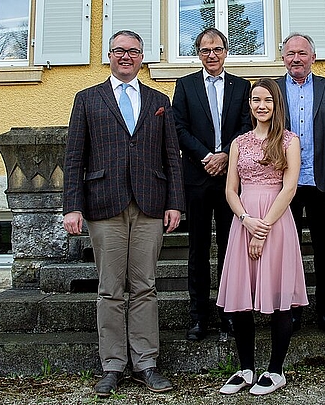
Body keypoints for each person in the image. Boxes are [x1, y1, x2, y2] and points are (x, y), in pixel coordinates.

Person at [63, 30, 185, 397]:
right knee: (110, 290)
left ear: (142, 56)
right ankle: (113, 366)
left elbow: (172, 158)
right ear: (110, 56)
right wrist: (73, 206)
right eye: (119, 51)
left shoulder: (159, 100)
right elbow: (74, 158)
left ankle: (146, 362)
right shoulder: (87, 99)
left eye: (133, 51)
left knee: (145, 287)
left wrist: (175, 202)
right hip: (104, 205)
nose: (126, 57)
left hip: (150, 204)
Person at [216, 78, 308, 396]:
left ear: (276, 103)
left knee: (279, 298)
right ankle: (245, 369)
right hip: (244, 220)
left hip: (276, 221)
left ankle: (276, 370)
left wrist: (263, 227)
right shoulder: (239, 142)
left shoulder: (288, 140)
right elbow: (230, 189)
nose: (261, 105)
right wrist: (245, 220)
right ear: (250, 105)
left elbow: (290, 188)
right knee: (241, 298)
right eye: (256, 100)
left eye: (267, 100)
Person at [172, 28, 252, 341]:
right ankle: (198, 317)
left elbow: (247, 127)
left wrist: (225, 156)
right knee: (198, 249)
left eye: (217, 49)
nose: (212, 55)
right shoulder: (186, 85)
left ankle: (229, 314)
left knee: (230, 249)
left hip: (231, 179)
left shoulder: (241, 86)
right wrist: (207, 156)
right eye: (205, 50)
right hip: (197, 176)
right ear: (198, 53)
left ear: (226, 51)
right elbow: (178, 127)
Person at [276, 33, 325, 337]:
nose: (296, 59)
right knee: (287, 250)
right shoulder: (272, 90)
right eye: (290, 54)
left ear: (313, 57)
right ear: (283, 59)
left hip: (320, 182)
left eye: (302, 53)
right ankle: (290, 309)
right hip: (283, 184)